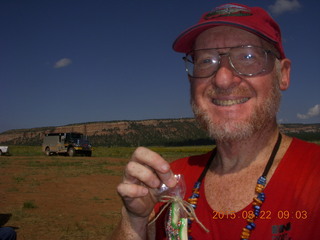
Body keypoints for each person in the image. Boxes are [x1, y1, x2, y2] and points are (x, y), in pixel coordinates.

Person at [111, 3, 320, 239]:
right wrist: (134, 221)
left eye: (247, 56)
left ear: (282, 74)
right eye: (205, 60)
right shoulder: (170, 184)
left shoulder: (314, 176)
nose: (222, 79)